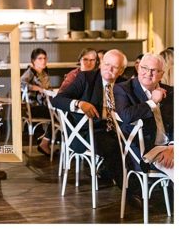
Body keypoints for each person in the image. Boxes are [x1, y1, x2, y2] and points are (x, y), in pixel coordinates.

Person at [51, 49, 127, 188]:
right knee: (114, 146)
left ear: (121, 70)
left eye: (115, 67)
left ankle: (138, 181)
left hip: (115, 130)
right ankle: (128, 190)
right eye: (106, 64)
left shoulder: (124, 83)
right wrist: (79, 103)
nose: (109, 69)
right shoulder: (86, 78)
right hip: (85, 132)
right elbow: (57, 100)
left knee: (137, 142)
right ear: (101, 63)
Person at [113, 53, 173, 177]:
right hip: (146, 152)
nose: (148, 73)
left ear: (161, 74)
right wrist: (152, 102)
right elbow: (126, 116)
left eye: (154, 70)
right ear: (138, 68)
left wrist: (172, 146)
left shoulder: (170, 91)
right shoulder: (123, 89)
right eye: (144, 68)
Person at [21, 48, 54, 155]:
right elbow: (20, 83)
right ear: (33, 61)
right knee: (58, 116)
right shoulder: (30, 72)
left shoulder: (44, 73)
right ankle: (44, 142)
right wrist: (37, 88)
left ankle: (44, 139)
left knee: (60, 113)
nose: (43, 61)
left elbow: (47, 88)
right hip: (33, 107)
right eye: (39, 58)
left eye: (44, 58)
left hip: (44, 105)